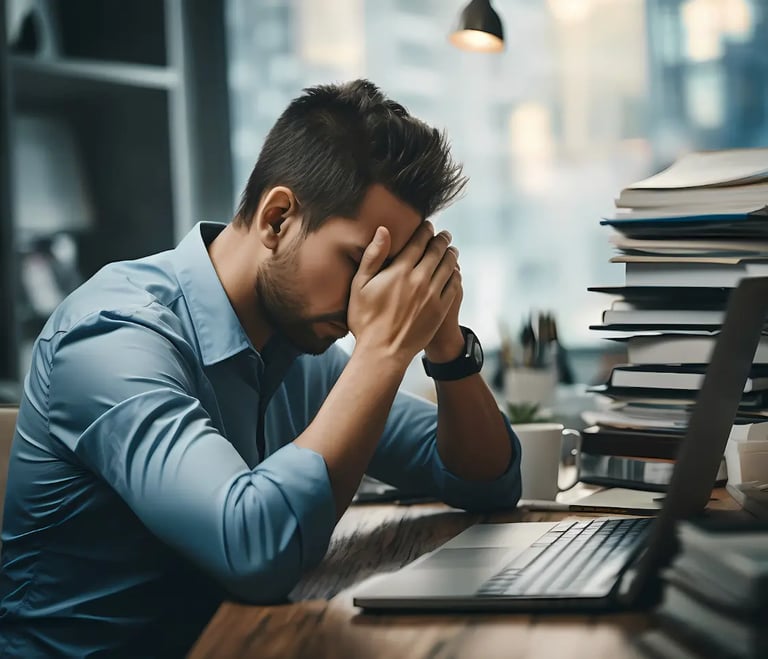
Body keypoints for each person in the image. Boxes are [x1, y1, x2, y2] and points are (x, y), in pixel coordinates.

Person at [0, 79, 521, 657]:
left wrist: (444, 345)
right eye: (358, 261)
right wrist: (382, 351)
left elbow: (485, 480)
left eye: (390, 270)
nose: (365, 300)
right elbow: (254, 553)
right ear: (277, 219)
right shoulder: (114, 335)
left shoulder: (296, 348)